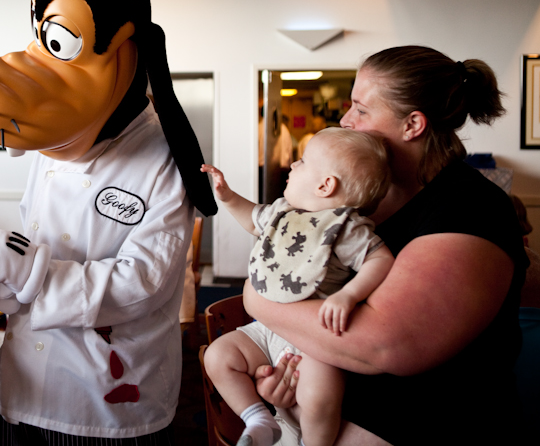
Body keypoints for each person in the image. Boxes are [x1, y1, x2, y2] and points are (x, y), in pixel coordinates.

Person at [243, 46, 528, 445]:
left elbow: (386, 344)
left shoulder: (469, 207)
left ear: (413, 124)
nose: (345, 120)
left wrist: (260, 298)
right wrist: (292, 378)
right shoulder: (363, 201)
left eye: (361, 108)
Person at [203, 127, 393, 446]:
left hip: (314, 339)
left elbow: (380, 259)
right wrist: (228, 197)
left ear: (325, 185)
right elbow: (252, 219)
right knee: (218, 356)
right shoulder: (282, 212)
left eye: (302, 161)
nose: (292, 165)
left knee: (319, 396)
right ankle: (257, 417)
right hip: (268, 328)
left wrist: (349, 294)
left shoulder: (345, 226)